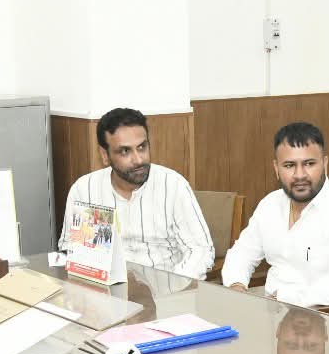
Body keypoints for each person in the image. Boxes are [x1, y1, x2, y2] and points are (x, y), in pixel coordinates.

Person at [222, 122, 329, 307]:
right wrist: (237, 285)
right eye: (289, 165)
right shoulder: (270, 204)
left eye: (309, 164)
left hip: (321, 317)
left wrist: (283, 297)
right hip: (269, 312)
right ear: (276, 168)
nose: (300, 175)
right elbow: (242, 253)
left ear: (325, 164)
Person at [59, 107, 214, 280]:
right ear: (105, 155)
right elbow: (70, 249)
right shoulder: (84, 190)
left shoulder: (173, 185)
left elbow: (201, 251)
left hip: (165, 288)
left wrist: (173, 286)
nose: (139, 159)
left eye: (142, 147)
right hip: (106, 290)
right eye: (125, 151)